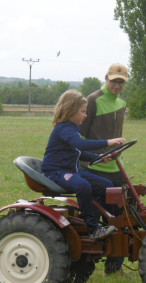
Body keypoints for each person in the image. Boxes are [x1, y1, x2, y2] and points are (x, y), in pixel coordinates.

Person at [41, 90, 125, 239]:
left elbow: (77, 151)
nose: (86, 115)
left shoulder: (73, 128)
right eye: (83, 112)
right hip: (56, 172)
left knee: (107, 185)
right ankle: (93, 229)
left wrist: (98, 157)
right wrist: (108, 142)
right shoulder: (63, 128)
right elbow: (79, 144)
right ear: (71, 110)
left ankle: (107, 225)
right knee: (83, 185)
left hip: (72, 170)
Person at [79, 63, 128, 274]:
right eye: (113, 81)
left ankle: (115, 265)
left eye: (121, 82)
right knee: (101, 211)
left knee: (126, 209)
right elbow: (79, 136)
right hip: (93, 164)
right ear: (106, 78)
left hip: (113, 164)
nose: (116, 85)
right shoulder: (92, 100)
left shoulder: (121, 103)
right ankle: (86, 258)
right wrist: (94, 156)